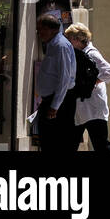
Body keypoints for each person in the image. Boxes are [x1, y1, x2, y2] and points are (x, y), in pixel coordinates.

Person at [64, 24, 110, 151]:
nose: (67, 42)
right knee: (71, 142)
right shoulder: (81, 53)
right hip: (83, 107)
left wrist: (92, 82)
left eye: (69, 39)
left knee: (101, 144)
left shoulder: (91, 54)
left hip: (94, 107)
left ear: (77, 39)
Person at [34, 14, 77, 153]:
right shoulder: (53, 45)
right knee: (47, 139)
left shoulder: (60, 46)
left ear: (52, 29)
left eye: (42, 29)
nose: (39, 33)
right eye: (38, 29)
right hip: (50, 99)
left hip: (59, 102)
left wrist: (55, 106)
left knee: (53, 141)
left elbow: (64, 78)